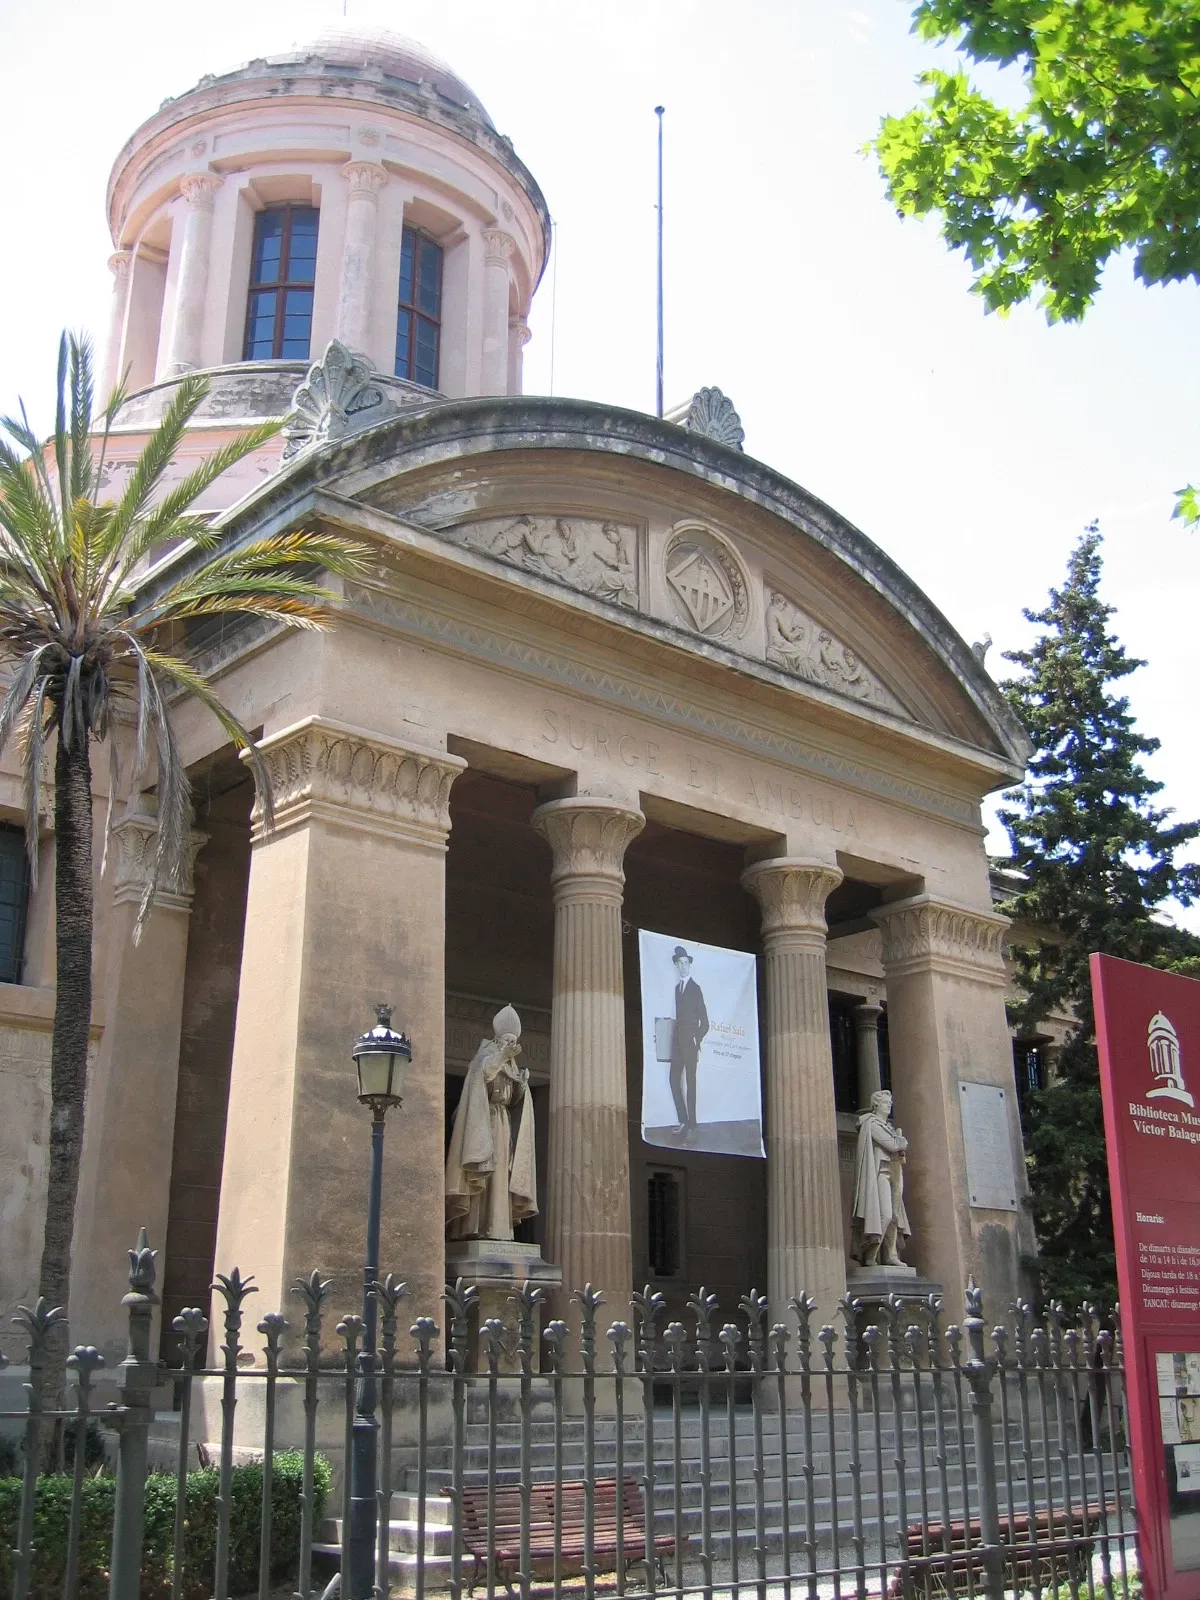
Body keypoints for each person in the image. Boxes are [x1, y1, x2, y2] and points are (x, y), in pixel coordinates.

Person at [445, 1004, 537, 1241]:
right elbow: (483, 1076)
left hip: (503, 1122)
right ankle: (476, 1226)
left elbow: (513, 1099)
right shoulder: (486, 1056)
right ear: (497, 1039)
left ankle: (498, 1228)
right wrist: (502, 1057)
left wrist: (523, 1085)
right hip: (485, 1120)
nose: (509, 1044)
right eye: (506, 1039)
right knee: (485, 1168)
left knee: (502, 1175)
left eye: (512, 1040)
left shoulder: (510, 1063)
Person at [851, 1089, 911, 1266]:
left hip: (895, 1172)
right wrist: (901, 1142)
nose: (889, 1106)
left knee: (895, 1215)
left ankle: (891, 1254)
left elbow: (899, 1151)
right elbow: (893, 1145)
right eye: (886, 1103)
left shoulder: (889, 1128)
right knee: (884, 1214)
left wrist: (899, 1143)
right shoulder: (872, 1124)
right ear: (876, 1105)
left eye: (890, 1103)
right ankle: (871, 1252)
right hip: (881, 1173)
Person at [669, 945, 709, 1142]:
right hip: (677, 1042)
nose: (683, 966)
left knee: (690, 1083)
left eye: (686, 963)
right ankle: (683, 1120)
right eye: (680, 963)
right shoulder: (677, 988)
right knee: (673, 1080)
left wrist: (697, 1037)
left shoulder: (695, 989)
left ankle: (692, 1124)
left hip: (690, 1044)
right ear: (677, 965)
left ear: (689, 964)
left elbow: (705, 1022)